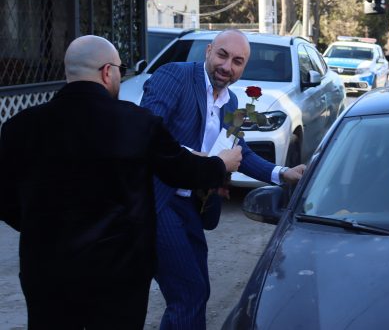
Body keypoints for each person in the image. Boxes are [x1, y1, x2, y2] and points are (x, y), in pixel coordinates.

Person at [0, 35, 243, 330]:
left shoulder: (19, 127)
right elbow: (182, 170)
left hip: (45, 270)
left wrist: (43, 229)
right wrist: (221, 164)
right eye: (120, 69)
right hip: (119, 271)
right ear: (107, 72)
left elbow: (6, 201)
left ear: (68, 72)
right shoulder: (137, 123)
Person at [140, 29, 306, 330]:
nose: (227, 66)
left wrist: (282, 173)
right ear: (208, 51)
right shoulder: (175, 76)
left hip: (192, 205)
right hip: (161, 202)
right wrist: (204, 160)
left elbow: (239, 151)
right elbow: (147, 131)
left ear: (244, 67)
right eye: (222, 55)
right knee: (188, 293)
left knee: (197, 291)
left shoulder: (231, 103)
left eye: (237, 61)